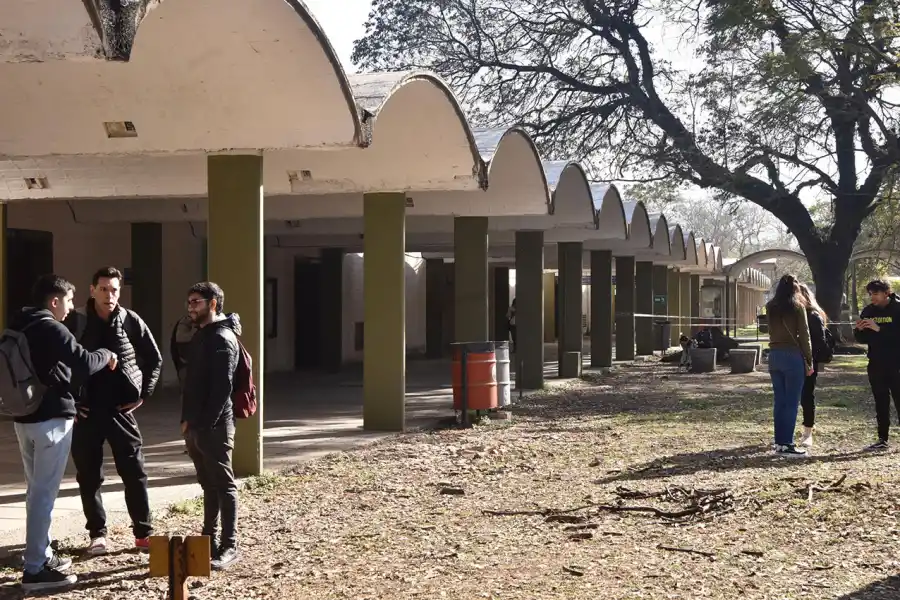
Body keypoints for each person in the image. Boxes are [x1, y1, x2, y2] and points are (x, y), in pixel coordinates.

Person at [11, 275, 116, 591]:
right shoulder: (50, 326)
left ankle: (41, 555)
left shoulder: (18, 324)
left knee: (35, 490)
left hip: (24, 418)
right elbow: (83, 362)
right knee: (44, 494)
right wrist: (107, 355)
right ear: (54, 301)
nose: (71, 309)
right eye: (68, 301)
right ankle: (34, 571)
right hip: (52, 420)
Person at [65, 267, 162, 554]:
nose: (110, 295)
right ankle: (97, 533)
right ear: (92, 289)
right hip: (86, 411)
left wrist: (144, 394)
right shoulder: (75, 321)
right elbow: (57, 363)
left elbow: (154, 359)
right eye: (104, 289)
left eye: (115, 289)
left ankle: (143, 532)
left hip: (121, 410)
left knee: (134, 472)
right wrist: (70, 401)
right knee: (89, 476)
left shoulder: (130, 320)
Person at [181, 282, 242, 570]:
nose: (191, 307)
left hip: (215, 426)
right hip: (196, 425)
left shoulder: (222, 338)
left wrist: (206, 424)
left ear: (213, 303)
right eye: (189, 302)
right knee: (208, 484)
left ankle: (229, 545)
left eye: (196, 302)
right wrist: (187, 420)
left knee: (224, 484)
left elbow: (222, 388)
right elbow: (191, 383)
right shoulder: (202, 335)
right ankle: (208, 539)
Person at [765, 274, 814, 457]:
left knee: (779, 401)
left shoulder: (770, 307)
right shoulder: (798, 307)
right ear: (795, 288)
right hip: (792, 355)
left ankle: (779, 442)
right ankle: (787, 444)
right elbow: (805, 335)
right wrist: (809, 360)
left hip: (774, 355)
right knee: (792, 402)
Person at [853, 279, 900, 450]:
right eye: (870, 294)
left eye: (876, 293)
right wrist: (859, 330)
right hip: (876, 363)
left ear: (887, 292)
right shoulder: (868, 311)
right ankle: (882, 439)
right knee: (881, 402)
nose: (872, 297)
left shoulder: (897, 309)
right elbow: (862, 339)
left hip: (896, 363)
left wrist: (879, 329)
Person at [797, 283, 829, 448]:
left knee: (806, 396)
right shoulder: (792, 314)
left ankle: (808, 431)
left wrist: (810, 360)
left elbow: (819, 342)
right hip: (793, 358)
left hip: (808, 361)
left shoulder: (813, 315)